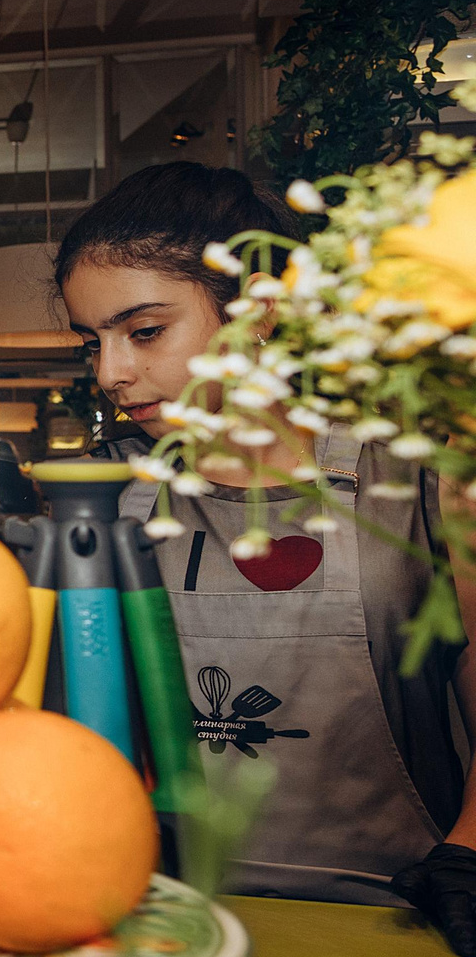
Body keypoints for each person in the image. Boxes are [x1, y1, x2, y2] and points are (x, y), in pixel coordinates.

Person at [61, 162, 476, 916]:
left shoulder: (418, 472)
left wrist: (471, 851)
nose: (112, 373)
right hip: (179, 919)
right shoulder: (111, 495)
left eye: (145, 331)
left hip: (403, 920)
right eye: (93, 342)